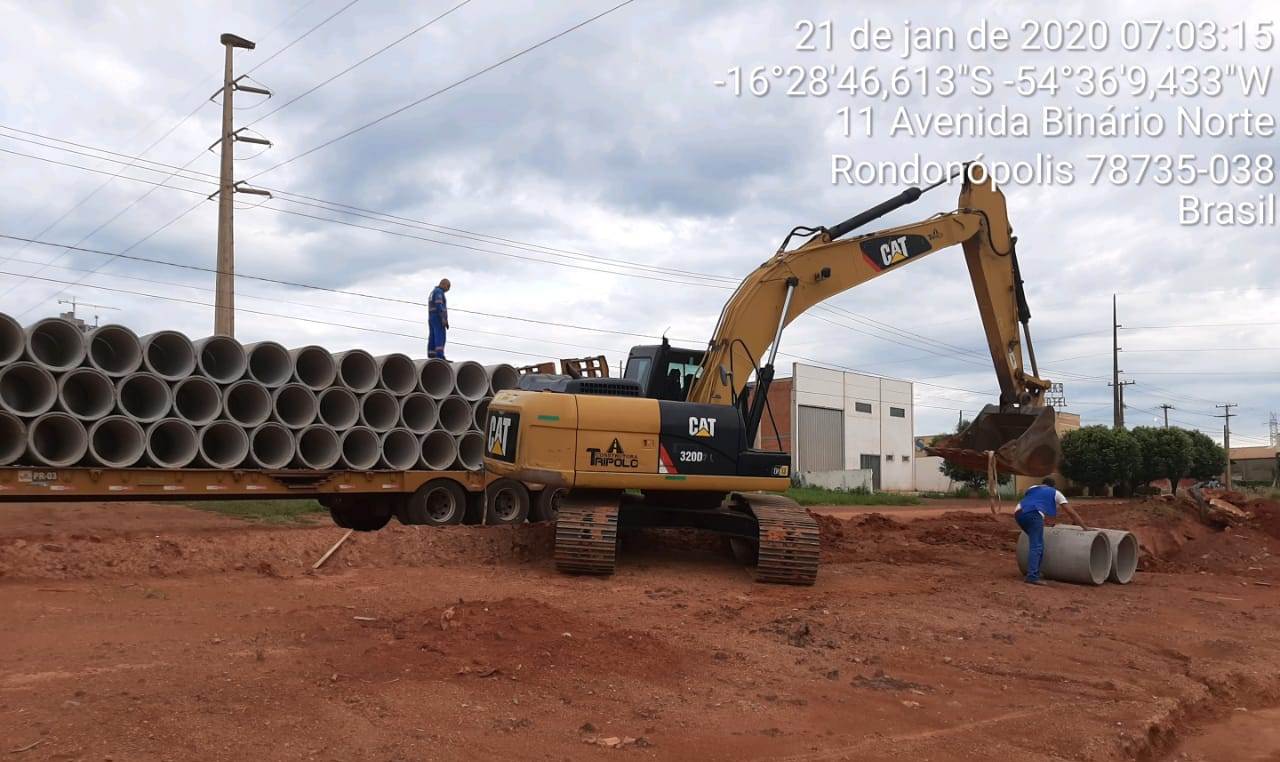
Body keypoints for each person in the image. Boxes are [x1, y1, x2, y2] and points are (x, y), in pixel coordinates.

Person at [1014, 477, 1087, 586]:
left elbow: (1034, 501)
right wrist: (1085, 527)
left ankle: (1035, 572)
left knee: (1037, 543)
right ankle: (1032, 577)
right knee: (1037, 545)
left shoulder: (1032, 488)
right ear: (1053, 486)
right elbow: (1071, 512)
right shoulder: (1056, 493)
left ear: (1043, 484)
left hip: (1018, 513)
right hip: (1033, 515)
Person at [428, 278, 450, 359]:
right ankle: (439, 355)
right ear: (443, 284)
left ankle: (431, 353)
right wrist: (443, 318)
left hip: (431, 317)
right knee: (440, 335)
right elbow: (439, 304)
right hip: (437, 317)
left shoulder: (433, 292)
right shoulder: (439, 292)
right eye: (448, 286)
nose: (448, 289)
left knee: (432, 335)